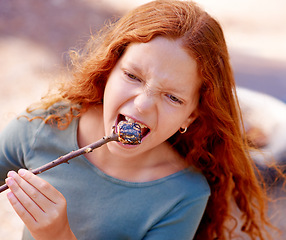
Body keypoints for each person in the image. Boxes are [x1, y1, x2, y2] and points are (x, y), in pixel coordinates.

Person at [0, 0, 282, 239]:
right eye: (133, 76)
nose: (143, 104)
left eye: (173, 97)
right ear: (108, 69)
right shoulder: (44, 127)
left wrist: (60, 236)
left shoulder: (183, 197)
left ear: (191, 115)